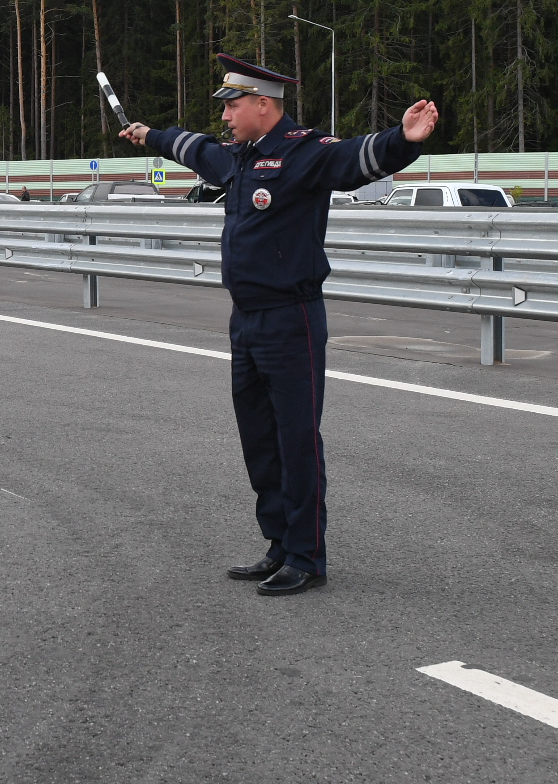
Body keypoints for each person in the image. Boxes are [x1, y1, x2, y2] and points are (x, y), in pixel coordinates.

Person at [120, 52, 438, 596]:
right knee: (260, 442)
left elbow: (358, 159)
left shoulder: (304, 154)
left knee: (296, 441)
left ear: (263, 106)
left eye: (233, 106)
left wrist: (404, 139)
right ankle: (277, 544)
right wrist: (149, 133)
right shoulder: (236, 158)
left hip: (292, 321)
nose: (225, 116)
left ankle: (306, 555)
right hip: (245, 322)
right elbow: (189, 146)